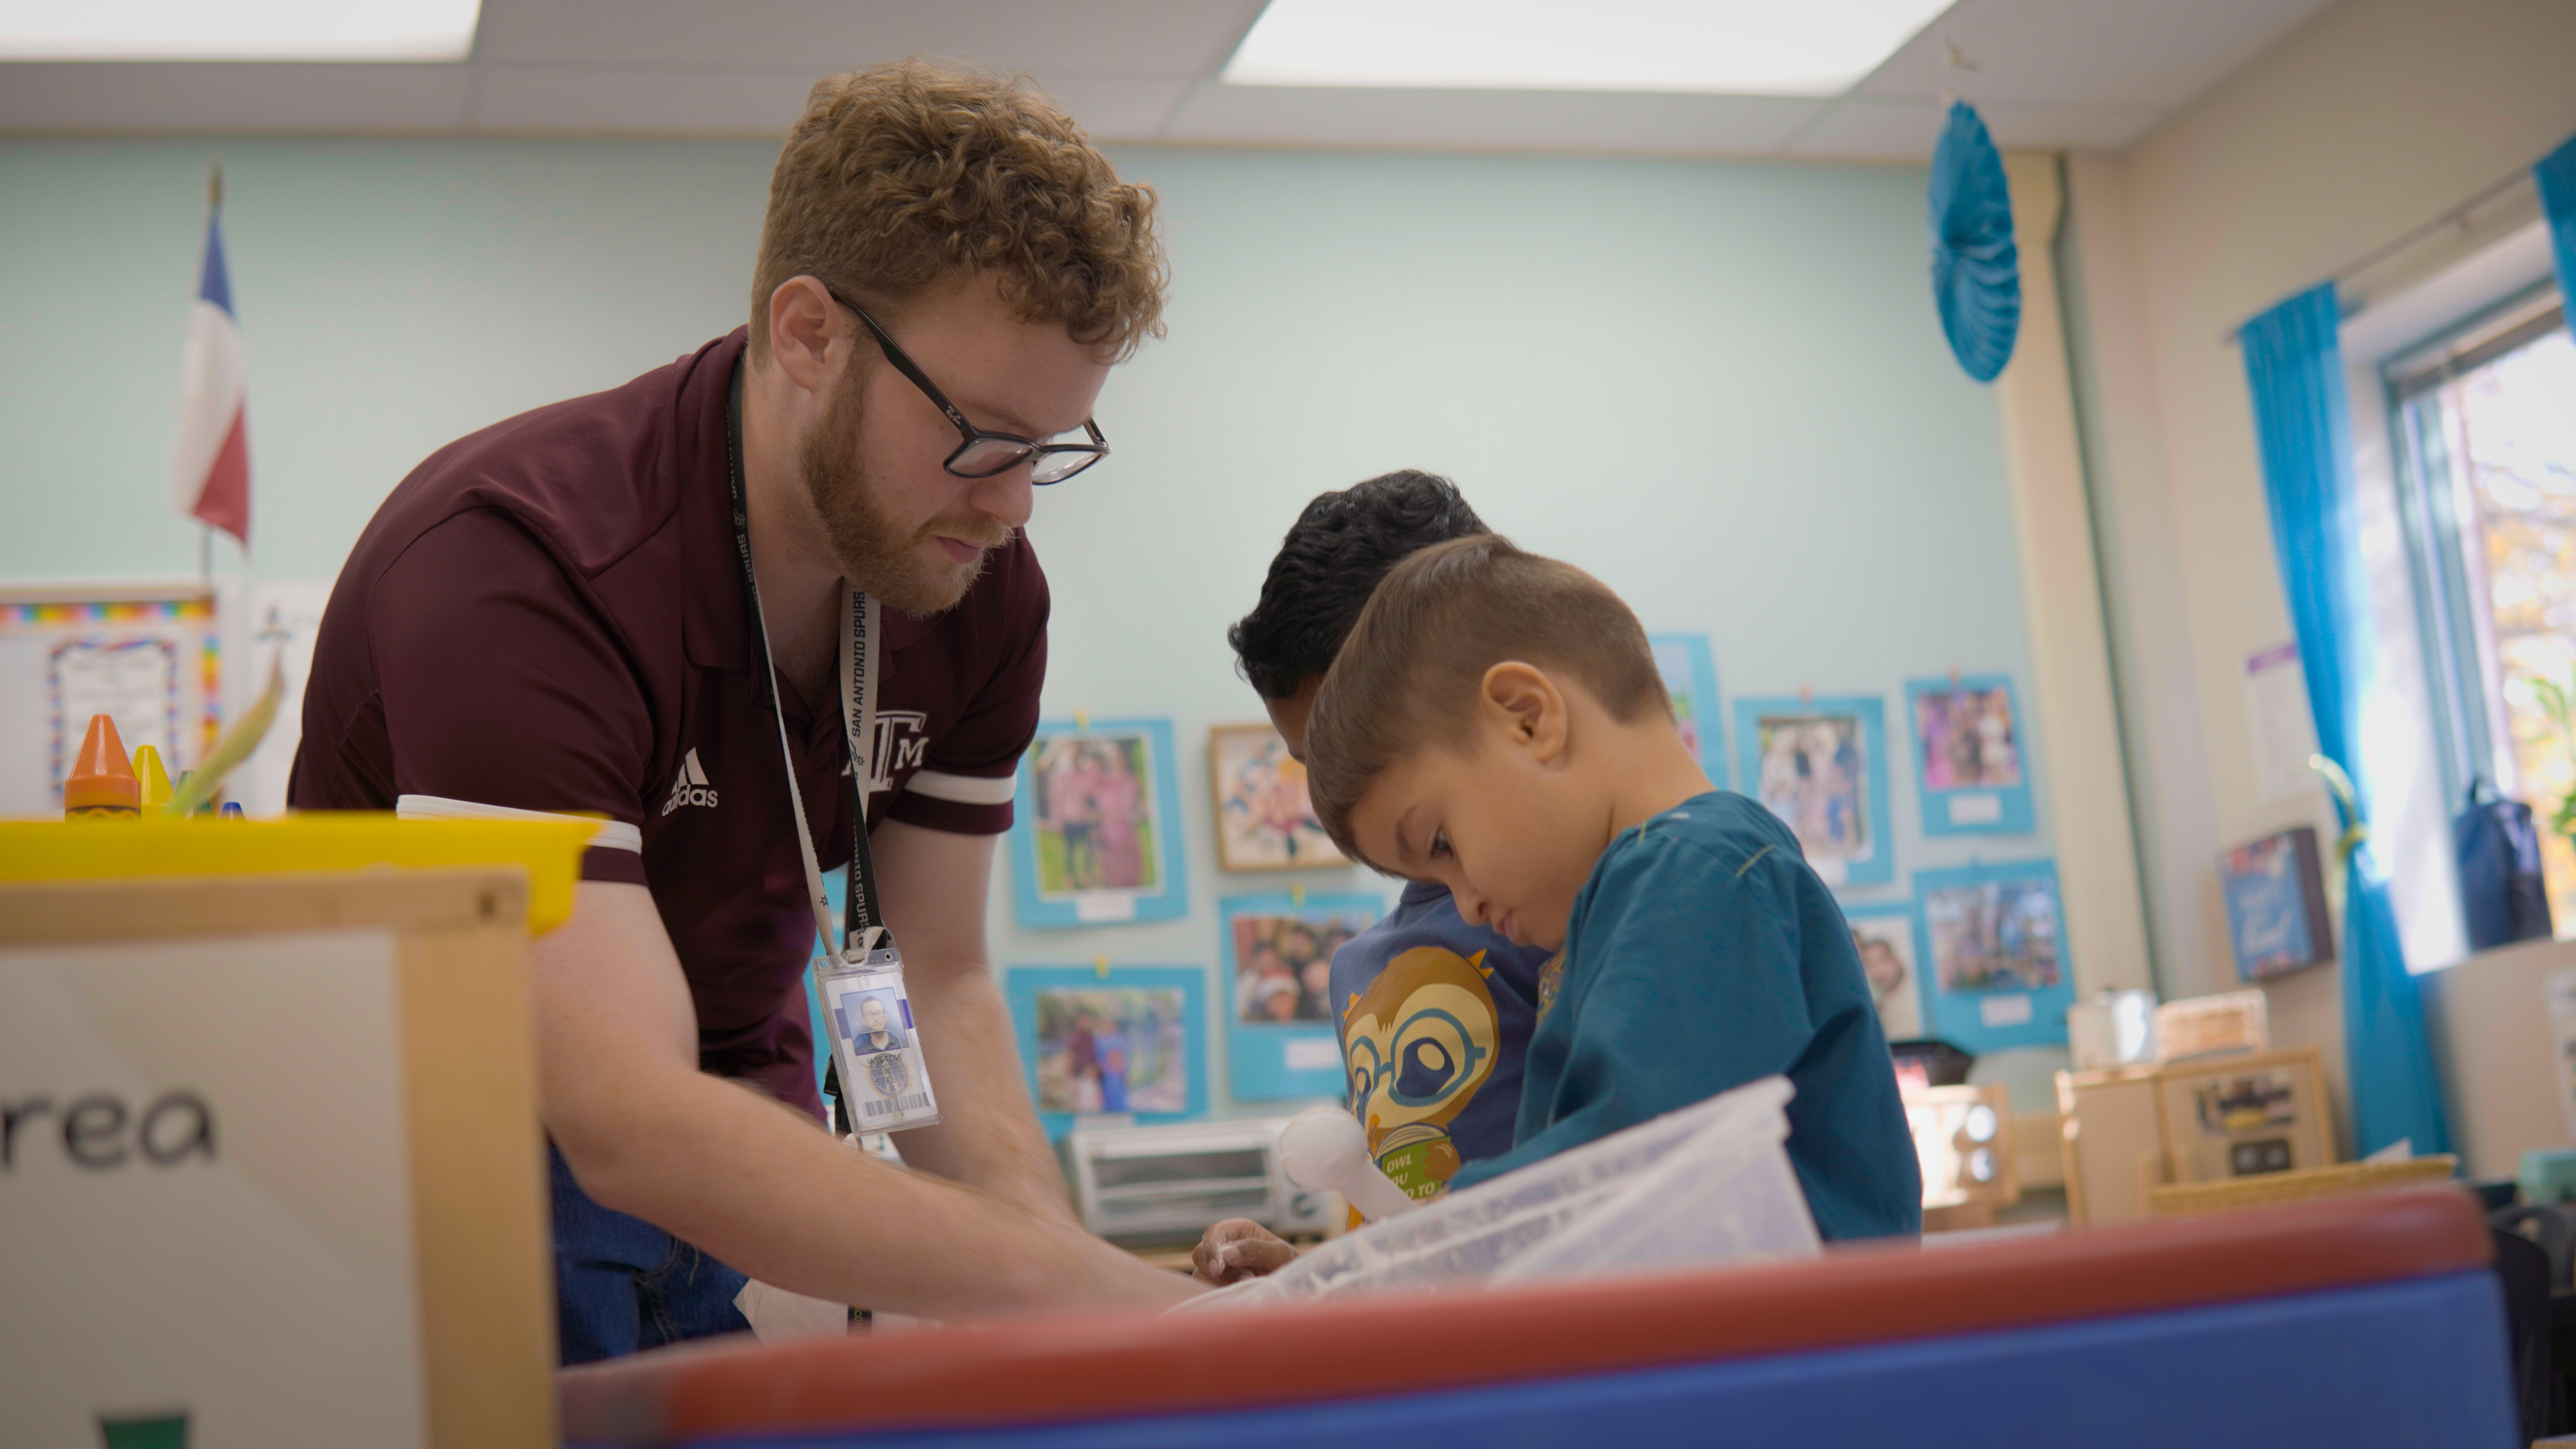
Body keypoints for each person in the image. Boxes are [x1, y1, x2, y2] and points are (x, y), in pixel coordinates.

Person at [290, 61, 1200, 1360]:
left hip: (738, 1129)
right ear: (811, 334)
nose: (1015, 507)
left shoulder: (975, 587)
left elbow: (935, 974)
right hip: (463, 1165)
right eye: (983, 436)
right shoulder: (521, 561)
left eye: (1053, 448)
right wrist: (1104, 1294)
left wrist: (1060, 1290)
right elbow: (623, 1117)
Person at [1298, 534, 1918, 1240]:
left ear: (1529, 718)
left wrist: (1443, 1237)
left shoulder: (1692, 870)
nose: (1464, 902)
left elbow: (1628, 1165)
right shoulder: (1655, 882)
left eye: (1441, 844)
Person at [1196, 471, 1550, 1285]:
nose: (1336, 803)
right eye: (1313, 767)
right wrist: (1317, 1277)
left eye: (1359, 754)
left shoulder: (1550, 914)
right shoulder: (1361, 968)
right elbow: (1401, 1222)